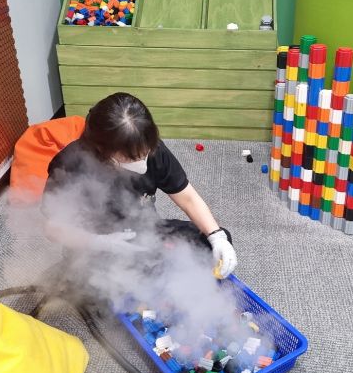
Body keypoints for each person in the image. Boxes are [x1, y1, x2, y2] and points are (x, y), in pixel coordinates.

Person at [41, 92, 238, 278]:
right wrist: (101, 243)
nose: (143, 160)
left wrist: (216, 237)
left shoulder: (151, 148)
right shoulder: (70, 165)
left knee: (211, 243)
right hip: (94, 246)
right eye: (132, 157)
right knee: (108, 286)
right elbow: (53, 228)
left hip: (145, 229)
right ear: (103, 150)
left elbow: (187, 198)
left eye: (146, 152)